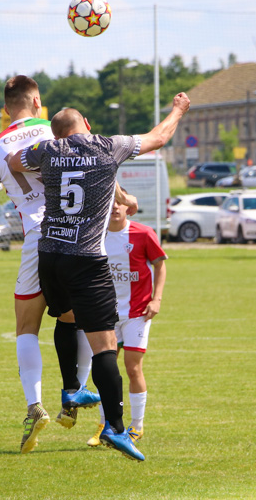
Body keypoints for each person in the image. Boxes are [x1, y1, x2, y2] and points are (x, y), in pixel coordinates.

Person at [7, 91, 190, 461]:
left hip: (50, 255)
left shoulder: (48, 151)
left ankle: (71, 389)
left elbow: (12, 160)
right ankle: (116, 428)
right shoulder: (107, 146)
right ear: (86, 125)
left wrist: (43, 157)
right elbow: (159, 138)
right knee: (106, 348)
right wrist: (178, 110)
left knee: (66, 317)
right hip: (87, 259)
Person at [0, 75, 99, 455]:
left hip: (37, 238)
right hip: (78, 232)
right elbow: (97, 167)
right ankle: (74, 392)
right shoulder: (57, 128)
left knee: (26, 326)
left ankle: (34, 406)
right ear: (37, 101)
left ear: (6, 109)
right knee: (82, 317)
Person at [86, 189, 167, 448]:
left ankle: (137, 426)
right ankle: (105, 425)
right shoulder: (95, 234)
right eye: (111, 203)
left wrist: (157, 299)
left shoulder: (143, 234)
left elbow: (160, 264)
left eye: (120, 203)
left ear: (128, 208)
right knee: (105, 371)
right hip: (105, 312)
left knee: (133, 368)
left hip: (137, 313)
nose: (115, 208)